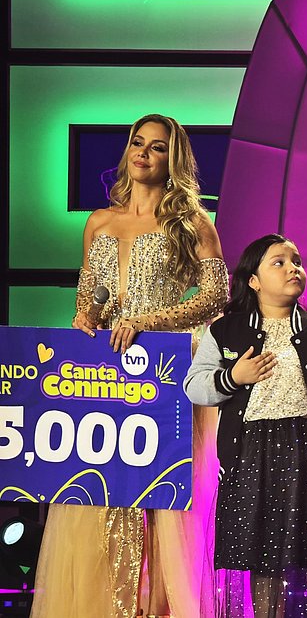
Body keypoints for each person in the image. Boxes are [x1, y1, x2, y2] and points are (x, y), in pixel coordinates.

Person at [31, 114, 229, 616]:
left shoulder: (192, 223)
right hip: (104, 377)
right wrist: (85, 319)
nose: (143, 153)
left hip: (162, 374)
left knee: (163, 504)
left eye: (157, 147)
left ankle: (159, 606)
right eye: (137, 143)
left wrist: (148, 322)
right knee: (100, 495)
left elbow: (216, 296)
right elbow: (90, 297)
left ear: (172, 158)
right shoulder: (99, 221)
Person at [184, 234, 307, 617]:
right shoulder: (225, 331)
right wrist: (234, 376)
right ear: (254, 280)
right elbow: (194, 386)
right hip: (251, 452)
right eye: (278, 262)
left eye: (296, 261)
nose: (293, 268)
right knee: (264, 553)